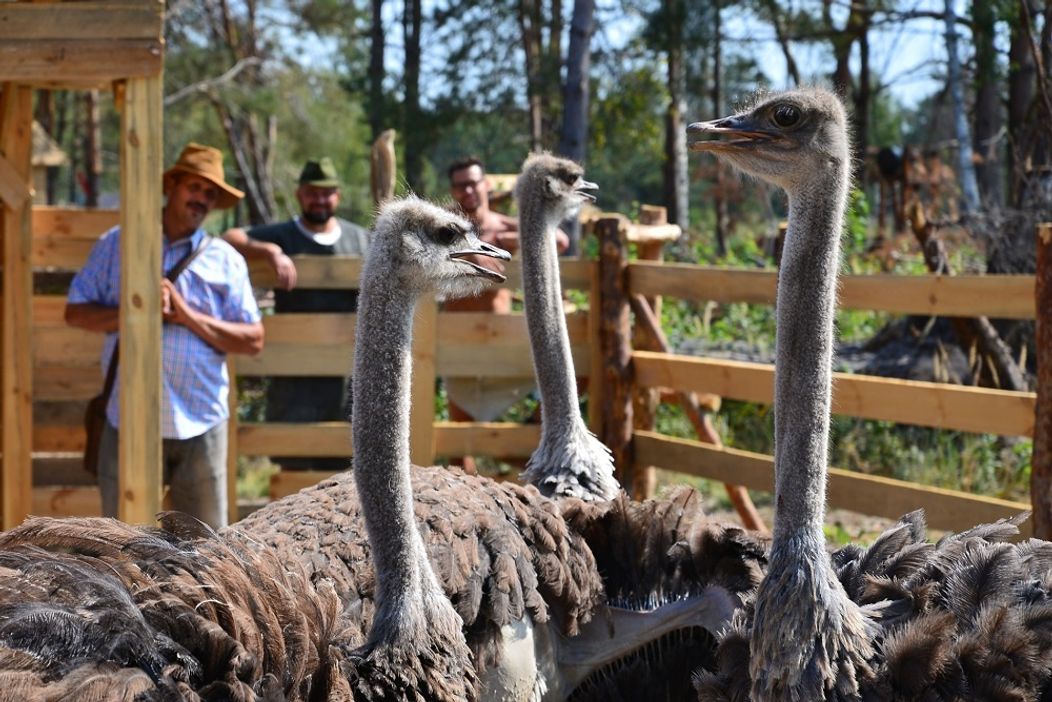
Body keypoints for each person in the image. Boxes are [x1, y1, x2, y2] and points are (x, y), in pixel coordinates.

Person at [66, 143, 264, 528]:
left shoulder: (225, 258)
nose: (202, 199)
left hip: (201, 421)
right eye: (195, 187)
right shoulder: (117, 244)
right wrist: (137, 312)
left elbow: (253, 340)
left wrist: (184, 314)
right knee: (121, 546)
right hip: (126, 418)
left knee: (205, 549)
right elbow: (75, 312)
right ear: (171, 185)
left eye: (211, 194)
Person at [222, 157, 370, 471]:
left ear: (338, 196)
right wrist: (270, 252)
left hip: (344, 376)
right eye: (312, 193)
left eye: (326, 193)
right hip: (293, 379)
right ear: (299, 195)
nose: (320, 200)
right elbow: (230, 237)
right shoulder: (283, 235)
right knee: (292, 465)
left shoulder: (359, 239)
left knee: (343, 468)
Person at [443, 156, 568, 473]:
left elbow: (560, 240)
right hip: (458, 349)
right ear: (453, 190)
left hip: (501, 344)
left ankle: (529, 439)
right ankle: (468, 491)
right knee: (461, 447)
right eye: (460, 186)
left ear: (485, 184)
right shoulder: (444, 229)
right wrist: (472, 247)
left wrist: (506, 241)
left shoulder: (504, 226)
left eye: (473, 183)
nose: (468, 191)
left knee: (571, 370)